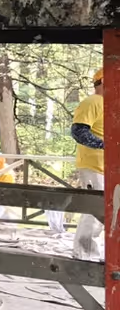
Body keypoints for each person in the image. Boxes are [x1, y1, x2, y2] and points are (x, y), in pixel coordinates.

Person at [70, 67, 105, 259]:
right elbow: (79, 131)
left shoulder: (111, 105)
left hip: (108, 166)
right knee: (95, 211)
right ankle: (85, 254)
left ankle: (100, 253)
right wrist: (105, 145)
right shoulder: (93, 102)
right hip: (93, 165)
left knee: (107, 211)